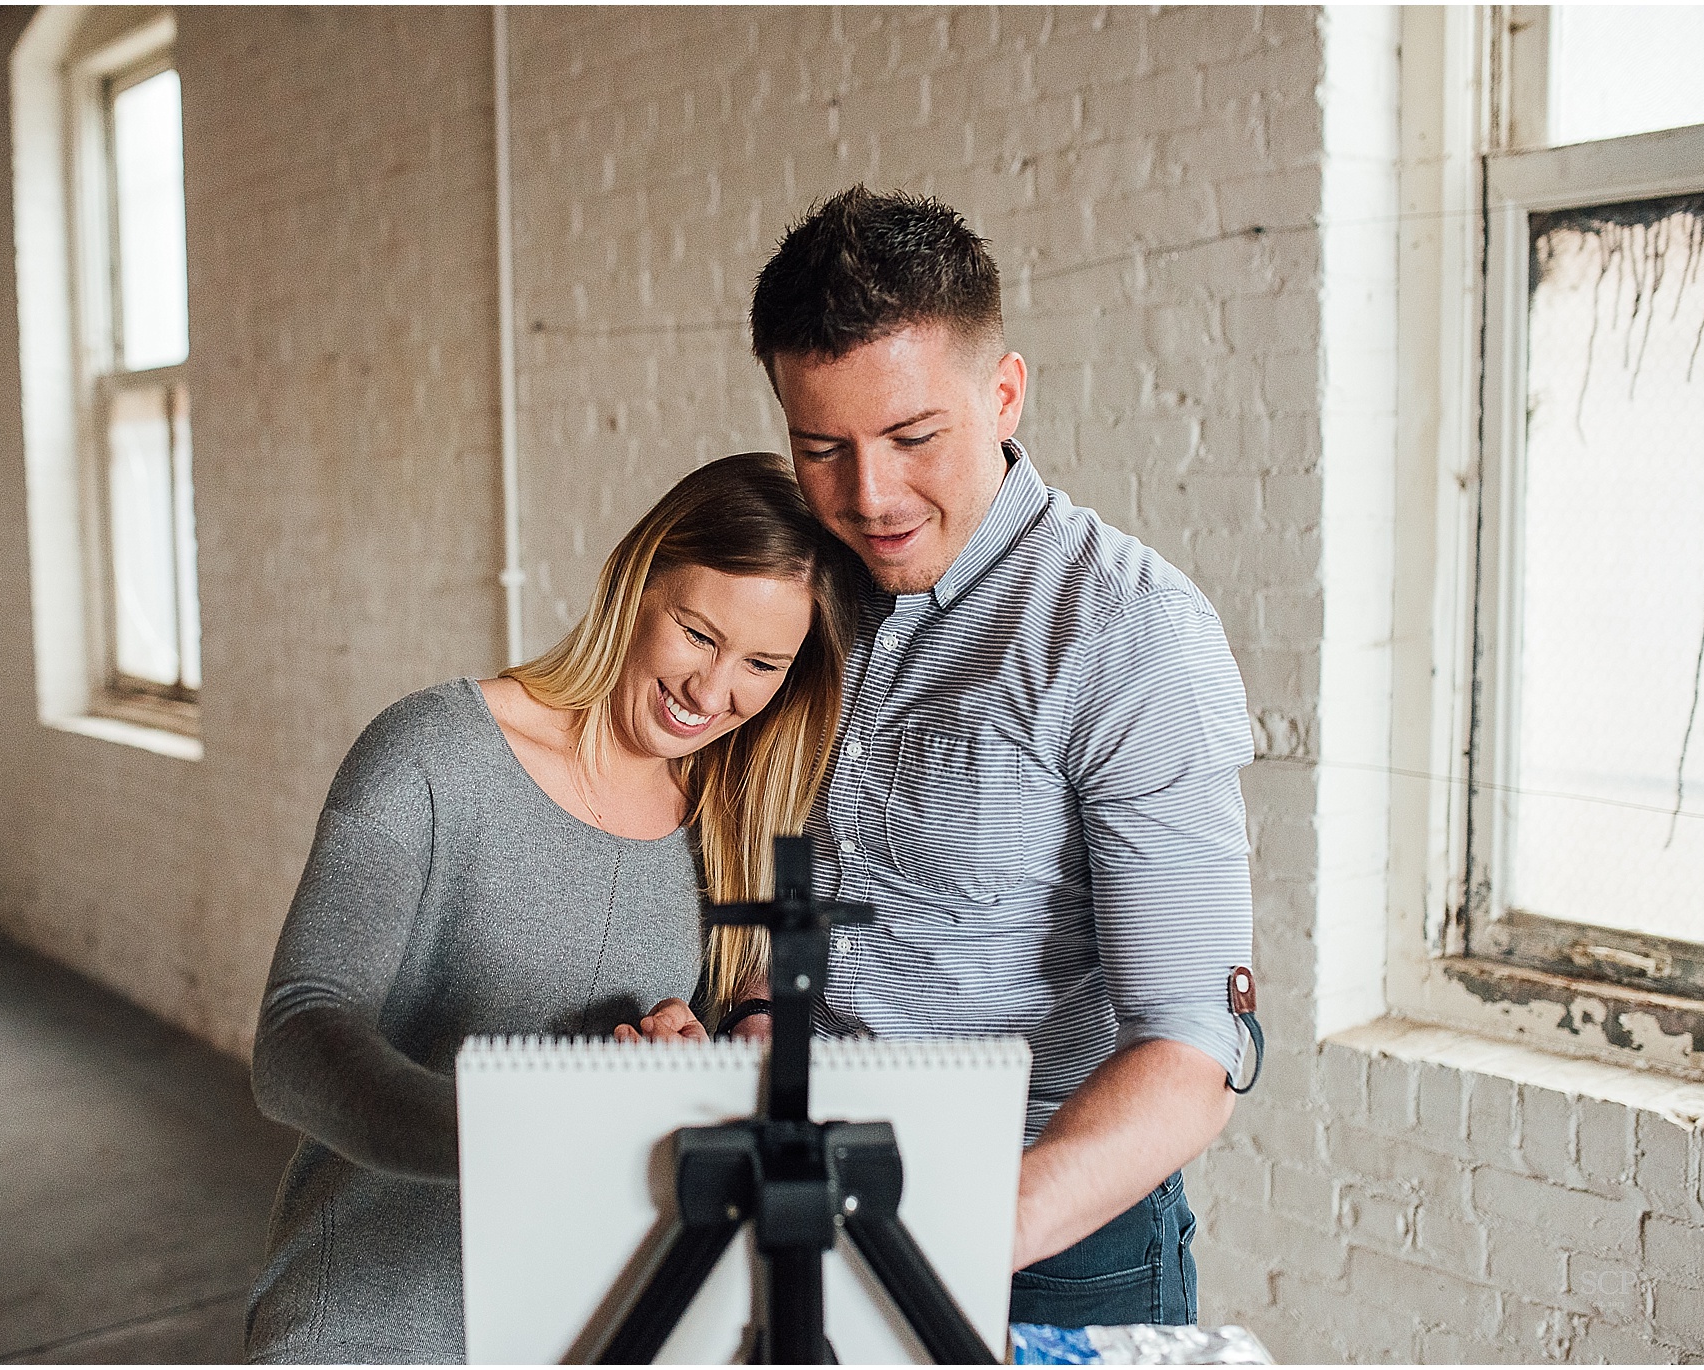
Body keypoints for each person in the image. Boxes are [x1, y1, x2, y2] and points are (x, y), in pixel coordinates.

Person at [740, 186, 1256, 1331]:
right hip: (802, 1195)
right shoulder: (799, 592)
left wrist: (959, 1234)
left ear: (1004, 391)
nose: (868, 497)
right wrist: (748, 1014)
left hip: (1049, 1240)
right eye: (819, 447)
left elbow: (1188, 1053)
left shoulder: (1128, 633)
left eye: (914, 438)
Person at [242, 452, 855, 1363]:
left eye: (761, 664)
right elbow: (295, 1040)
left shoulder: (727, 821)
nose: (712, 691)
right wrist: (522, 1133)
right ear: (634, 580)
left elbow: (709, 1058)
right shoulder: (431, 753)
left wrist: (697, 1057)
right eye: (696, 633)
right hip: (375, 1319)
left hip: (594, 1324)